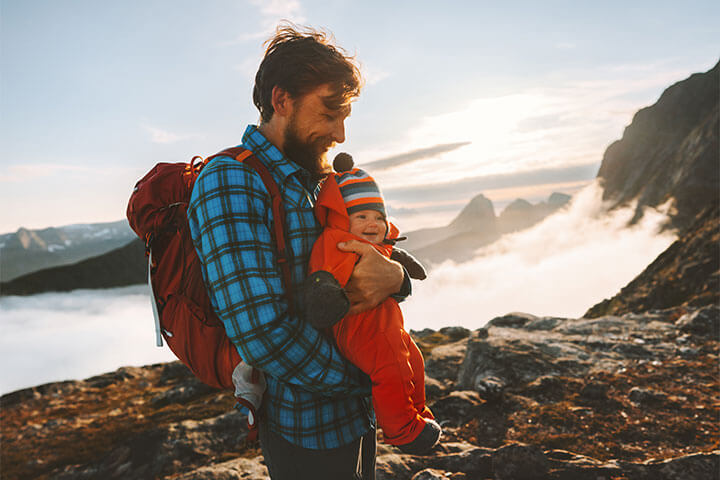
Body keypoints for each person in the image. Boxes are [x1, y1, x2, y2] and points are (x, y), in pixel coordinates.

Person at [187, 24, 410, 480]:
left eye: (345, 115)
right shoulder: (229, 180)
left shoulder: (314, 179)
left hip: (356, 414)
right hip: (306, 428)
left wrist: (399, 280)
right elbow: (262, 331)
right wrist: (366, 380)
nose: (341, 133)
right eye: (330, 112)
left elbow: (369, 257)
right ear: (281, 99)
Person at [302, 157, 442, 454]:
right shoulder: (336, 242)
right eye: (361, 216)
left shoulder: (372, 242)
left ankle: (417, 412)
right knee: (390, 369)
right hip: (361, 329)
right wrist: (325, 298)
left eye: (378, 217)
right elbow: (322, 276)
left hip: (386, 327)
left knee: (413, 361)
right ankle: (402, 430)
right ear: (341, 217)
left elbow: (393, 258)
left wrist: (403, 269)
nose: (373, 224)